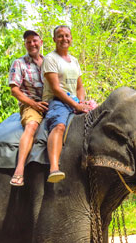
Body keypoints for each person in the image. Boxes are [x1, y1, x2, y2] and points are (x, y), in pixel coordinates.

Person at [42, 25, 92, 183]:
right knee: (59, 126)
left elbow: (80, 86)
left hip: (75, 101)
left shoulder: (74, 61)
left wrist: (82, 102)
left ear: (71, 38)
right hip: (58, 101)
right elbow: (56, 89)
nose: (64, 39)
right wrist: (76, 106)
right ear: (54, 39)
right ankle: (54, 168)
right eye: (60, 36)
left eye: (67, 36)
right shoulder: (50, 59)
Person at [8, 30, 48, 186]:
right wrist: (33, 104)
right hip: (30, 105)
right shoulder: (19, 63)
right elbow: (14, 90)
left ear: (41, 42)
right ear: (25, 45)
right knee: (31, 126)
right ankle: (19, 171)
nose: (32, 44)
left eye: (35, 41)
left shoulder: (49, 62)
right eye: (28, 42)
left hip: (50, 103)